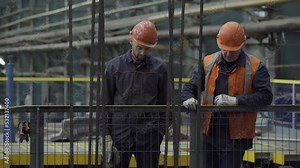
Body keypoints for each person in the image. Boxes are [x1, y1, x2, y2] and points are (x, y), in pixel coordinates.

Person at [181, 21, 273, 168]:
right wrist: (188, 98)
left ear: (242, 44)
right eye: (225, 49)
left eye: (233, 50)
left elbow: (266, 96)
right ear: (219, 43)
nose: (228, 53)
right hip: (209, 134)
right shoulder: (208, 63)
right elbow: (191, 86)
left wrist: (236, 101)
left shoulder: (255, 67)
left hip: (236, 137)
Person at [101, 20, 168, 168]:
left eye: (147, 49)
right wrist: (106, 136)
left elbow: (166, 104)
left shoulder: (159, 69)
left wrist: (160, 132)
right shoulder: (114, 67)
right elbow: (105, 103)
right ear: (131, 40)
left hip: (149, 135)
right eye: (139, 48)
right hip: (120, 134)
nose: (142, 53)